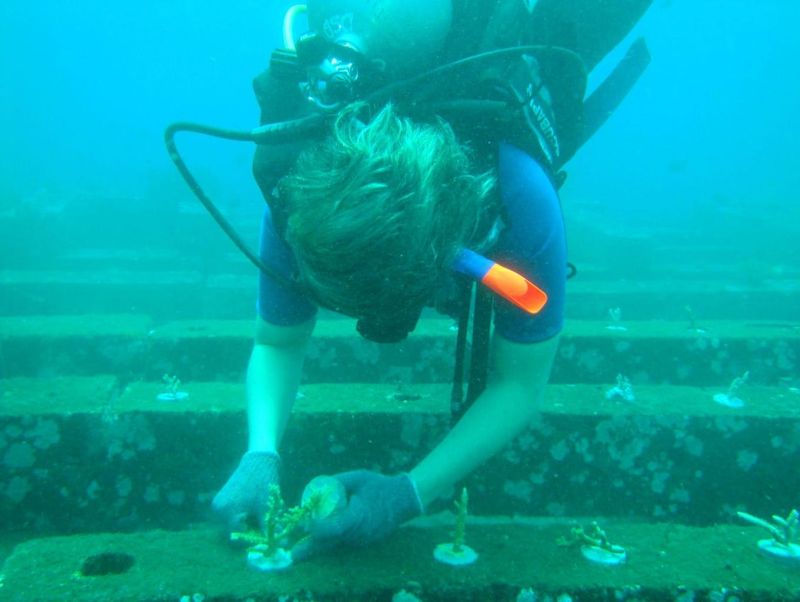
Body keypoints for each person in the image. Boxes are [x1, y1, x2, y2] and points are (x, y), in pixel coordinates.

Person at [211, 0, 651, 560]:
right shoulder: (297, 194)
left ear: (455, 257)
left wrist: (407, 493)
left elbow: (519, 384)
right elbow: (278, 339)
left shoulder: (520, 204)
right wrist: (260, 452)